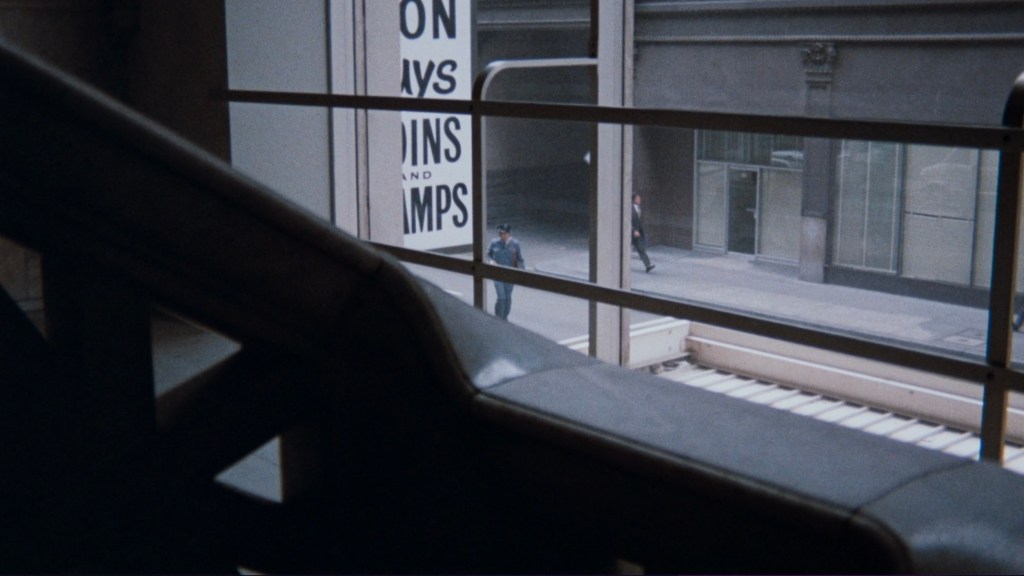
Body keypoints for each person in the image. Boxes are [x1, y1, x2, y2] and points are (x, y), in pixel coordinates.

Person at [486, 223, 525, 321]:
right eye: (500, 233)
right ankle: (500, 318)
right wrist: (491, 261)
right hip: (497, 273)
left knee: (507, 297)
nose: (501, 235)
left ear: (508, 234)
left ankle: (505, 315)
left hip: (509, 274)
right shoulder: (494, 242)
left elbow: (520, 259)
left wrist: (523, 273)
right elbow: (488, 254)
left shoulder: (515, 244)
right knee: (501, 296)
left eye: (503, 233)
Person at [631, 193, 655, 273]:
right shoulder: (629, 209)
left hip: (637, 234)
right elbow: (627, 221)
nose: (639, 200)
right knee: (623, 250)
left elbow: (640, 222)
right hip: (630, 233)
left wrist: (639, 231)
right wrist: (633, 231)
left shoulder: (639, 209)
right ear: (634, 199)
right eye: (638, 198)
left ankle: (648, 266)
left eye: (639, 198)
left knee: (641, 249)